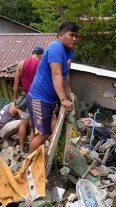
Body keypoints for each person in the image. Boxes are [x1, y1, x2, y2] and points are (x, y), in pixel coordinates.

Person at [27, 20, 80, 153]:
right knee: (43, 134)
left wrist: (68, 96)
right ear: (61, 35)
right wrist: (63, 99)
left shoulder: (69, 51)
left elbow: (65, 75)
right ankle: (28, 166)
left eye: (77, 36)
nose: (74, 39)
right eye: (71, 35)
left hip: (47, 99)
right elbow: (56, 74)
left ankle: (30, 162)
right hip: (39, 98)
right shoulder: (56, 47)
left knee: (37, 130)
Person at [12, 46, 44, 151]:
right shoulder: (40, 64)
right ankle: (31, 150)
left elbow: (16, 82)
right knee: (33, 126)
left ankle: (21, 148)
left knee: (23, 123)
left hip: (25, 96)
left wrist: (15, 98)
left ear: (32, 53)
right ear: (41, 55)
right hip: (37, 98)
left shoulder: (21, 64)